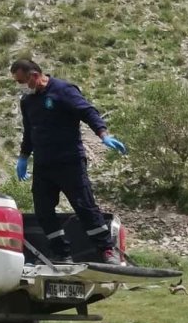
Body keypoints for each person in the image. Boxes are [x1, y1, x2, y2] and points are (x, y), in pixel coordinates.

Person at [10, 59, 128, 265]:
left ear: (34, 76)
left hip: (69, 161)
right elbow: (29, 132)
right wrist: (23, 157)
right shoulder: (27, 102)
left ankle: (107, 251)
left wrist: (103, 134)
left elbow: (88, 111)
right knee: (43, 211)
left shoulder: (63, 90)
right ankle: (61, 254)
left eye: (22, 82)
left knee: (84, 206)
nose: (22, 87)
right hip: (44, 165)